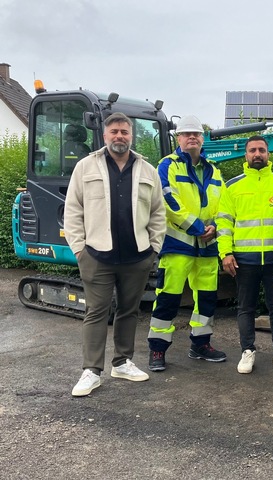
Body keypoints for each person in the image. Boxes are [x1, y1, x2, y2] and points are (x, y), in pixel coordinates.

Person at [65, 112, 166, 397]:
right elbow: (73, 210)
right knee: (96, 311)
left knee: (129, 311)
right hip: (96, 255)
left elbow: (158, 212)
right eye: (114, 132)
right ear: (105, 135)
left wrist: (154, 248)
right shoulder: (86, 167)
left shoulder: (147, 170)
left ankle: (122, 362)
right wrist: (79, 249)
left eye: (124, 132)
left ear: (131, 136)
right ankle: (91, 371)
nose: (119, 136)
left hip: (137, 256)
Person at [146, 115, 226, 371]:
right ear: (178, 138)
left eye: (197, 134)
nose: (192, 137)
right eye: (186, 134)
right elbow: (168, 202)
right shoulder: (167, 165)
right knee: (168, 298)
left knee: (206, 300)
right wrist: (200, 228)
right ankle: (157, 350)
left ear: (202, 139)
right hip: (178, 245)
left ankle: (200, 345)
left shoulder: (214, 170)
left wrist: (215, 228)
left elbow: (224, 205)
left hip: (208, 246)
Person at [216, 135, 273, 375]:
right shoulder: (232, 186)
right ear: (246, 155)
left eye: (261, 150)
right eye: (252, 150)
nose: (257, 154)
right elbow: (224, 223)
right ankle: (247, 351)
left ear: (268, 154)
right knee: (246, 307)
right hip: (244, 259)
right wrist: (226, 253)